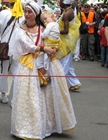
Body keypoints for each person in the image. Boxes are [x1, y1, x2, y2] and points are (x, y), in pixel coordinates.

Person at [10, 0, 57, 139]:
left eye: (30, 12)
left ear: (36, 14)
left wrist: (51, 49)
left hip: (42, 63)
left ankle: (42, 126)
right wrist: (44, 48)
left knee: (43, 95)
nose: (27, 14)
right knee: (27, 96)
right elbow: (28, 46)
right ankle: (25, 128)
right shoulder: (20, 30)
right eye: (26, 11)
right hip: (27, 65)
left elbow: (51, 42)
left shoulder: (43, 29)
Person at [39, 8, 77, 137]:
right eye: (43, 20)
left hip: (49, 53)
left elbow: (44, 36)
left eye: (45, 19)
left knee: (46, 66)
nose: (45, 21)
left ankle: (46, 76)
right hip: (52, 52)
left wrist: (42, 34)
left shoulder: (51, 25)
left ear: (51, 17)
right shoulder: (54, 25)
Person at [0, 0, 24, 104]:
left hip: (5, 46)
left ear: (9, 3)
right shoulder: (23, 16)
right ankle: (15, 99)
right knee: (16, 72)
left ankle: (4, 94)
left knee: (3, 71)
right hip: (18, 47)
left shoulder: (3, 13)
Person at [57, 0, 82, 91]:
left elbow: (66, 31)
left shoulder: (67, 13)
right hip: (66, 41)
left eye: (61, 0)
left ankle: (59, 85)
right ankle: (75, 83)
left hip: (66, 42)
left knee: (63, 65)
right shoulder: (67, 11)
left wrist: (55, 32)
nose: (59, 1)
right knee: (68, 64)